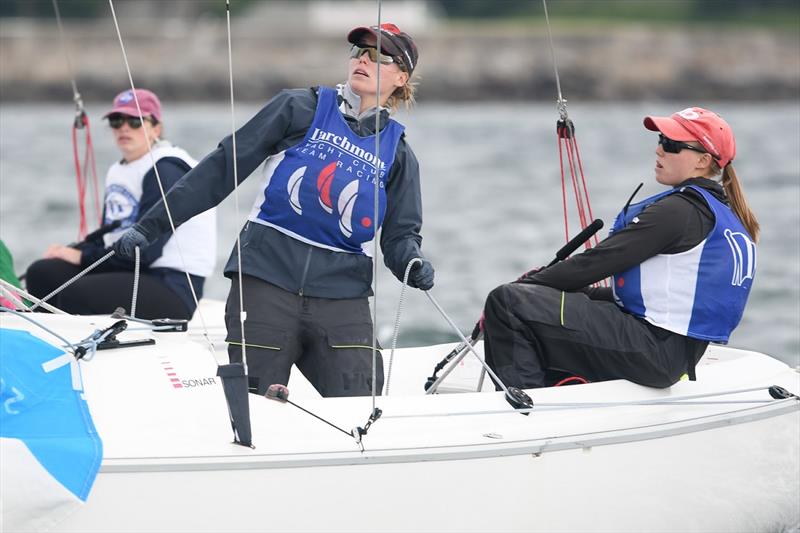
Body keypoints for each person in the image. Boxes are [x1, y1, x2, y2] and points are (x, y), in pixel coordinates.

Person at [113, 24, 434, 398]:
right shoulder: (299, 107)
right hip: (266, 279)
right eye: (358, 51)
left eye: (379, 55)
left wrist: (412, 261)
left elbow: (399, 237)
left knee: (363, 407)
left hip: (342, 294)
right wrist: (152, 226)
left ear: (401, 76)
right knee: (254, 401)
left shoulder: (398, 153)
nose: (363, 58)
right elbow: (222, 168)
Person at [483, 107, 759, 390]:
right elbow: (658, 297)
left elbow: (598, 262)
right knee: (547, 295)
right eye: (660, 140)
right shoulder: (720, 213)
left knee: (506, 302)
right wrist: (552, 290)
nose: (659, 150)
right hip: (674, 355)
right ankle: (560, 391)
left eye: (671, 145)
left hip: (653, 351)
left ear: (703, 160)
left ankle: (524, 413)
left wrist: (528, 284)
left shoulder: (680, 211)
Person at [25, 89, 216, 320]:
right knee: (42, 272)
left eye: (135, 121)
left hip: (172, 286)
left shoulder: (166, 169)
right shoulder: (122, 169)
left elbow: (145, 252)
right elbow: (114, 234)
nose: (124, 127)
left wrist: (82, 258)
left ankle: (85, 346)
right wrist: (75, 251)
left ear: (156, 128)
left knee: (76, 294)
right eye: (117, 121)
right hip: (131, 271)